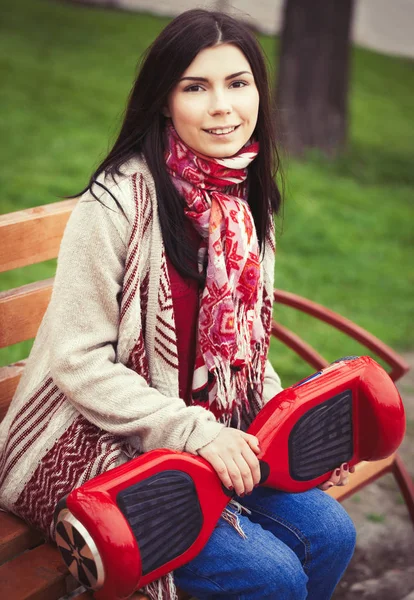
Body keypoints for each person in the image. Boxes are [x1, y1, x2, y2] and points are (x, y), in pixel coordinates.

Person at [0, 9, 356, 600]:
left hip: (214, 434)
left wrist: (295, 432)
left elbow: (248, 349)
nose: (223, 106)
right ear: (165, 101)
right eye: (196, 87)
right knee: (270, 576)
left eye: (237, 83)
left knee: (331, 534)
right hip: (92, 439)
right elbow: (75, 359)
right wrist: (191, 431)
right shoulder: (117, 205)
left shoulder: (246, 203)